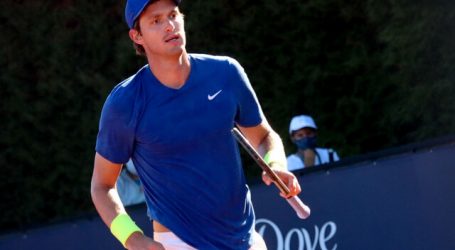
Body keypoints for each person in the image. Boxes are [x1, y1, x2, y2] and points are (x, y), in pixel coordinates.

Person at [90, 0, 302, 249]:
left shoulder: (226, 73)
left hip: (246, 240)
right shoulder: (124, 102)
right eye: (156, 21)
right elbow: (101, 187)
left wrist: (276, 163)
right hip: (178, 243)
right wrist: (132, 238)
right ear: (137, 36)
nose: (170, 25)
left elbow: (265, 136)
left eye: (173, 15)